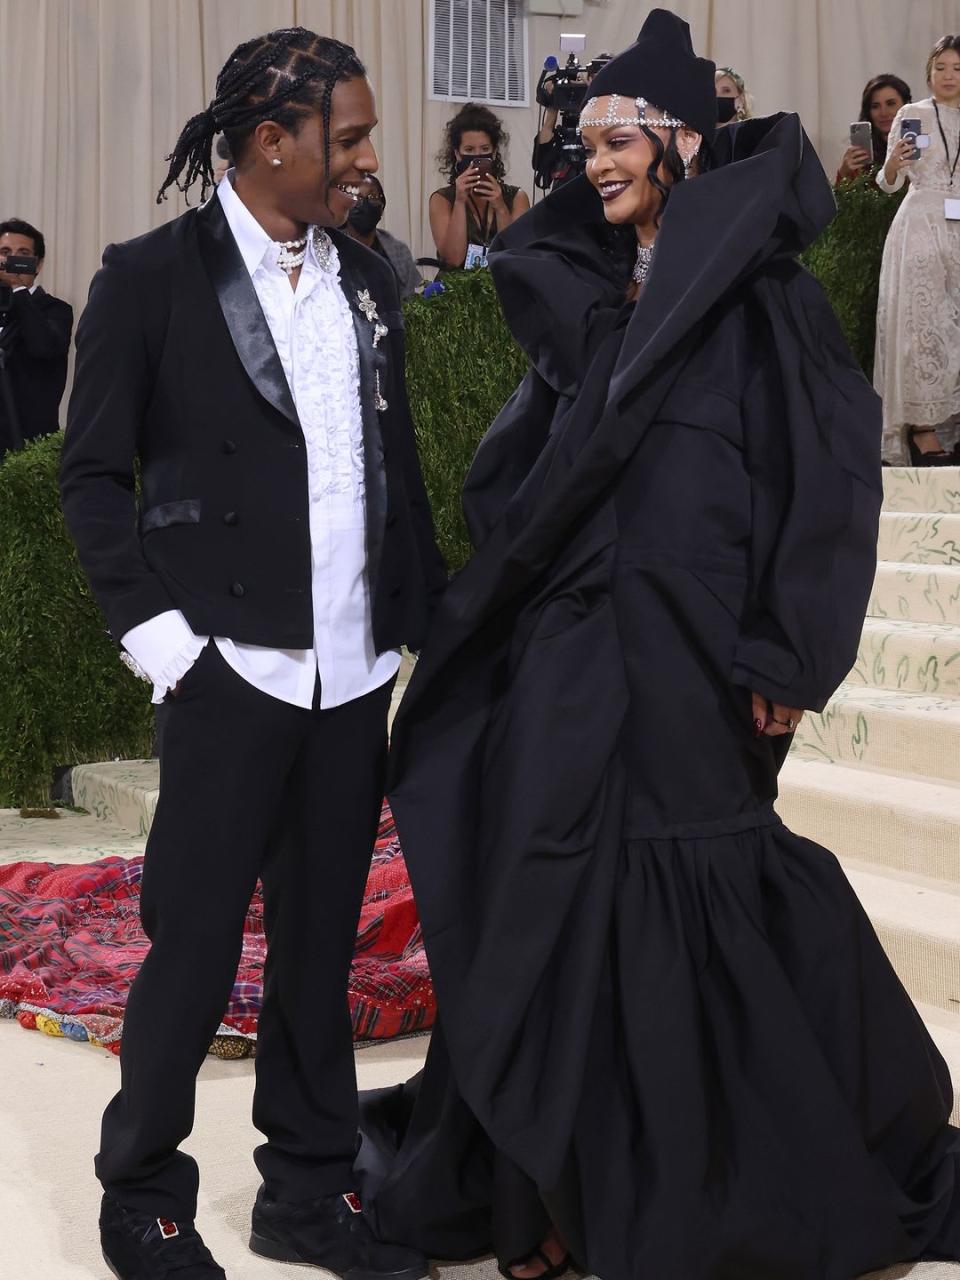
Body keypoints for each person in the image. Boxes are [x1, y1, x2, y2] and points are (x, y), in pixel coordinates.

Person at [357, 10, 960, 1280]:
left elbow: (831, 484)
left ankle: (683, 1183)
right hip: (574, 651)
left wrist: (791, 653)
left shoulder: (773, 297)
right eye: (584, 143)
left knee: (683, 887)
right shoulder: (584, 295)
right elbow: (522, 474)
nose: (595, 160)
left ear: (685, 137)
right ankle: (546, 1191)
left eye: (619, 137)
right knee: (544, 889)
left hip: (697, 657)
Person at [60, 26, 445, 1280]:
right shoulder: (149, 276)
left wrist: (417, 625)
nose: (369, 157)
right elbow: (90, 477)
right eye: (351, 135)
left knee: (323, 940)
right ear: (271, 141)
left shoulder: (373, 277)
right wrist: (167, 644)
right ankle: (142, 1194)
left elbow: (394, 476)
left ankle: (308, 1189)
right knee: (196, 941)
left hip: (352, 672)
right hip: (229, 667)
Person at [874, 35, 960, 465]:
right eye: (941, 67)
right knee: (922, 325)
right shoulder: (913, 114)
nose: (948, 76)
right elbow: (887, 182)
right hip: (920, 224)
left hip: (959, 227)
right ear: (929, 71)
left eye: (958, 69)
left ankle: (952, 422)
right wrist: (895, 163)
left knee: (954, 327)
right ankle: (923, 429)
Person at [0, 218, 73, 458]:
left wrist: (19, 289)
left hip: (28, 447)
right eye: (5, 252)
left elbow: (43, 347)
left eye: (22, 253)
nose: (11, 260)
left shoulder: (55, 310)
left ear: (38, 264)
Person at [429, 103, 529, 271]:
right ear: (457, 154)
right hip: (456, 291)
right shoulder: (442, 199)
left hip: (501, 289)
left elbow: (515, 256)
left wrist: (501, 208)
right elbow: (453, 259)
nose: (477, 155)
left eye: (485, 149)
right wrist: (460, 202)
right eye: (469, 149)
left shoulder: (517, 197)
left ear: (495, 152)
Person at [344, 176, 422, 300]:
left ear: (382, 208)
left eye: (372, 197)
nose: (364, 203)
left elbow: (410, 301)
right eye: (357, 197)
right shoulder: (332, 249)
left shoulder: (399, 251)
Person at [837, 74, 912, 181]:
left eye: (891, 104)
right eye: (875, 106)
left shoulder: (921, 146)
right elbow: (842, 197)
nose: (883, 113)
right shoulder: (861, 157)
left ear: (906, 106)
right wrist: (844, 173)